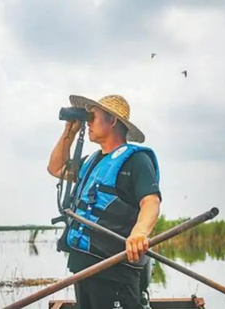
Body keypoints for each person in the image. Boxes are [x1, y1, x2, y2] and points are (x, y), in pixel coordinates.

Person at [47, 94, 162, 309]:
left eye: (93, 116)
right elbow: (56, 168)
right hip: (83, 266)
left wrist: (139, 233)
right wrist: (68, 134)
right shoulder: (92, 162)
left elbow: (151, 202)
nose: (88, 122)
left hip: (115, 267)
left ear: (113, 121)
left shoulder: (136, 160)